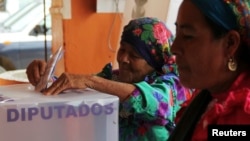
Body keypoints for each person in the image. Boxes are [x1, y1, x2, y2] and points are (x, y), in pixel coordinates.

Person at [26, 17, 192, 141]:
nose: (124, 59)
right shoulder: (114, 78)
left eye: (134, 55)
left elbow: (157, 104)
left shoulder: (176, 83)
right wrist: (43, 75)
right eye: (122, 49)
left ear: (154, 61)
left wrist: (91, 81)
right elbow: (73, 87)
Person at [167, 0, 250, 140]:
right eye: (177, 33)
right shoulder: (209, 95)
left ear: (230, 43)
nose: (174, 48)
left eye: (188, 36)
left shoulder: (243, 114)